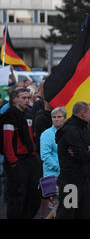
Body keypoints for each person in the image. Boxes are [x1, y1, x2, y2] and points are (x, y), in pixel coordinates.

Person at [55, 102, 90, 219]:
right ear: (82, 115)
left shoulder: (83, 128)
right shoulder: (72, 131)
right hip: (71, 182)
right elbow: (84, 155)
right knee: (67, 215)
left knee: (86, 214)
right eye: (89, 113)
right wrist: (89, 152)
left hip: (83, 180)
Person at [3, 88, 41, 219]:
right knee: (17, 196)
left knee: (34, 194)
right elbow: (7, 143)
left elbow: (31, 136)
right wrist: (13, 163)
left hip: (30, 158)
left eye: (28, 98)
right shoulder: (9, 116)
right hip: (17, 160)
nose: (27, 100)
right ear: (15, 99)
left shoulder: (29, 114)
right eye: (23, 98)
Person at [40, 107, 67, 219]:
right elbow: (45, 156)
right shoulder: (46, 134)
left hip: (68, 175)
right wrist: (60, 168)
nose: (56, 119)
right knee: (60, 206)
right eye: (54, 117)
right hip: (53, 175)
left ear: (65, 118)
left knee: (69, 204)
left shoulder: (68, 132)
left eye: (59, 117)